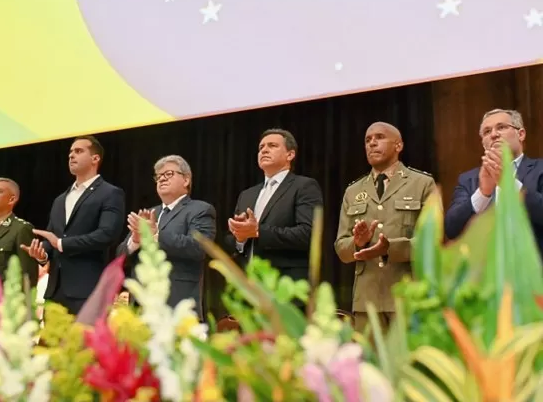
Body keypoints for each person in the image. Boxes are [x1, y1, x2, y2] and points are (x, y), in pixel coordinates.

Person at [334, 122, 435, 333]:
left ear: (398, 145)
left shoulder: (422, 183)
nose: (372, 143)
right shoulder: (353, 191)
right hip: (367, 301)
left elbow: (433, 241)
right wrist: (358, 243)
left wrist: (389, 249)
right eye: (368, 140)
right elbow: (342, 249)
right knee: (370, 364)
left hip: (407, 295)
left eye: (379, 137)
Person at [23, 136, 126, 315]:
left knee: (84, 343)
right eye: (70, 152)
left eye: (78, 151)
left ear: (95, 159)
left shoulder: (110, 193)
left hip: (87, 290)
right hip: (55, 291)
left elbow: (107, 234)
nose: (71, 156)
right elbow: (52, 237)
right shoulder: (60, 200)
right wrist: (42, 253)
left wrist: (62, 244)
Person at [116, 155, 216, 318]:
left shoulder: (200, 210)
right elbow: (120, 256)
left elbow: (199, 248)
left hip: (176, 304)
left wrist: (156, 234)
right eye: (158, 176)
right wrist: (135, 240)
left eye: (168, 174)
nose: (162, 179)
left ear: (186, 180)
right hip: (142, 305)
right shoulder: (150, 213)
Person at [226, 128, 323, 284]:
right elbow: (233, 243)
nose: (264, 150)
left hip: (285, 286)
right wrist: (240, 237)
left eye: (272, 146)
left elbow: (308, 234)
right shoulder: (247, 195)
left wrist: (257, 231)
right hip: (248, 287)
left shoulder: (304, 186)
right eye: (261, 147)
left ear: (290, 155)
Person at [445, 109, 543, 255]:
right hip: (485, 273)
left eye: (501, 127)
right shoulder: (468, 179)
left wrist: (509, 184)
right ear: (483, 143)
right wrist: (482, 194)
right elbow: (452, 229)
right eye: (487, 131)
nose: (494, 134)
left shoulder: (540, 169)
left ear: (521, 134)